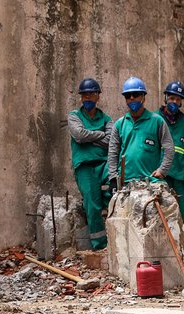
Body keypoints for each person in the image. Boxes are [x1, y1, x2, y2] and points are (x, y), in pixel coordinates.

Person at [68, 77, 114, 250]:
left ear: (98, 96)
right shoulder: (74, 116)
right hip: (84, 165)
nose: (87, 98)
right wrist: (99, 135)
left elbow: (111, 141)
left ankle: (106, 206)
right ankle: (100, 245)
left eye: (91, 94)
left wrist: (90, 137)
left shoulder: (107, 119)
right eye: (84, 95)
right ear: (81, 97)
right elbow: (78, 135)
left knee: (115, 188)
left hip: (104, 163)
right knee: (92, 205)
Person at [106, 77, 174, 188]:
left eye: (136, 94)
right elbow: (113, 152)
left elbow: (169, 147)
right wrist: (113, 177)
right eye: (128, 96)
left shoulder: (157, 121)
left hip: (151, 181)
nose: (132, 98)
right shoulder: (119, 124)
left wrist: (162, 170)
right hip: (126, 182)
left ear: (143, 97)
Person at [159, 81, 184, 225]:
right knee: (161, 212)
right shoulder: (155, 118)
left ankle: (180, 246)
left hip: (179, 174)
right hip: (160, 175)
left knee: (181, 212)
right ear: (166, 98)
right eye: (172, 98)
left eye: (178, 99)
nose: (174, 102)